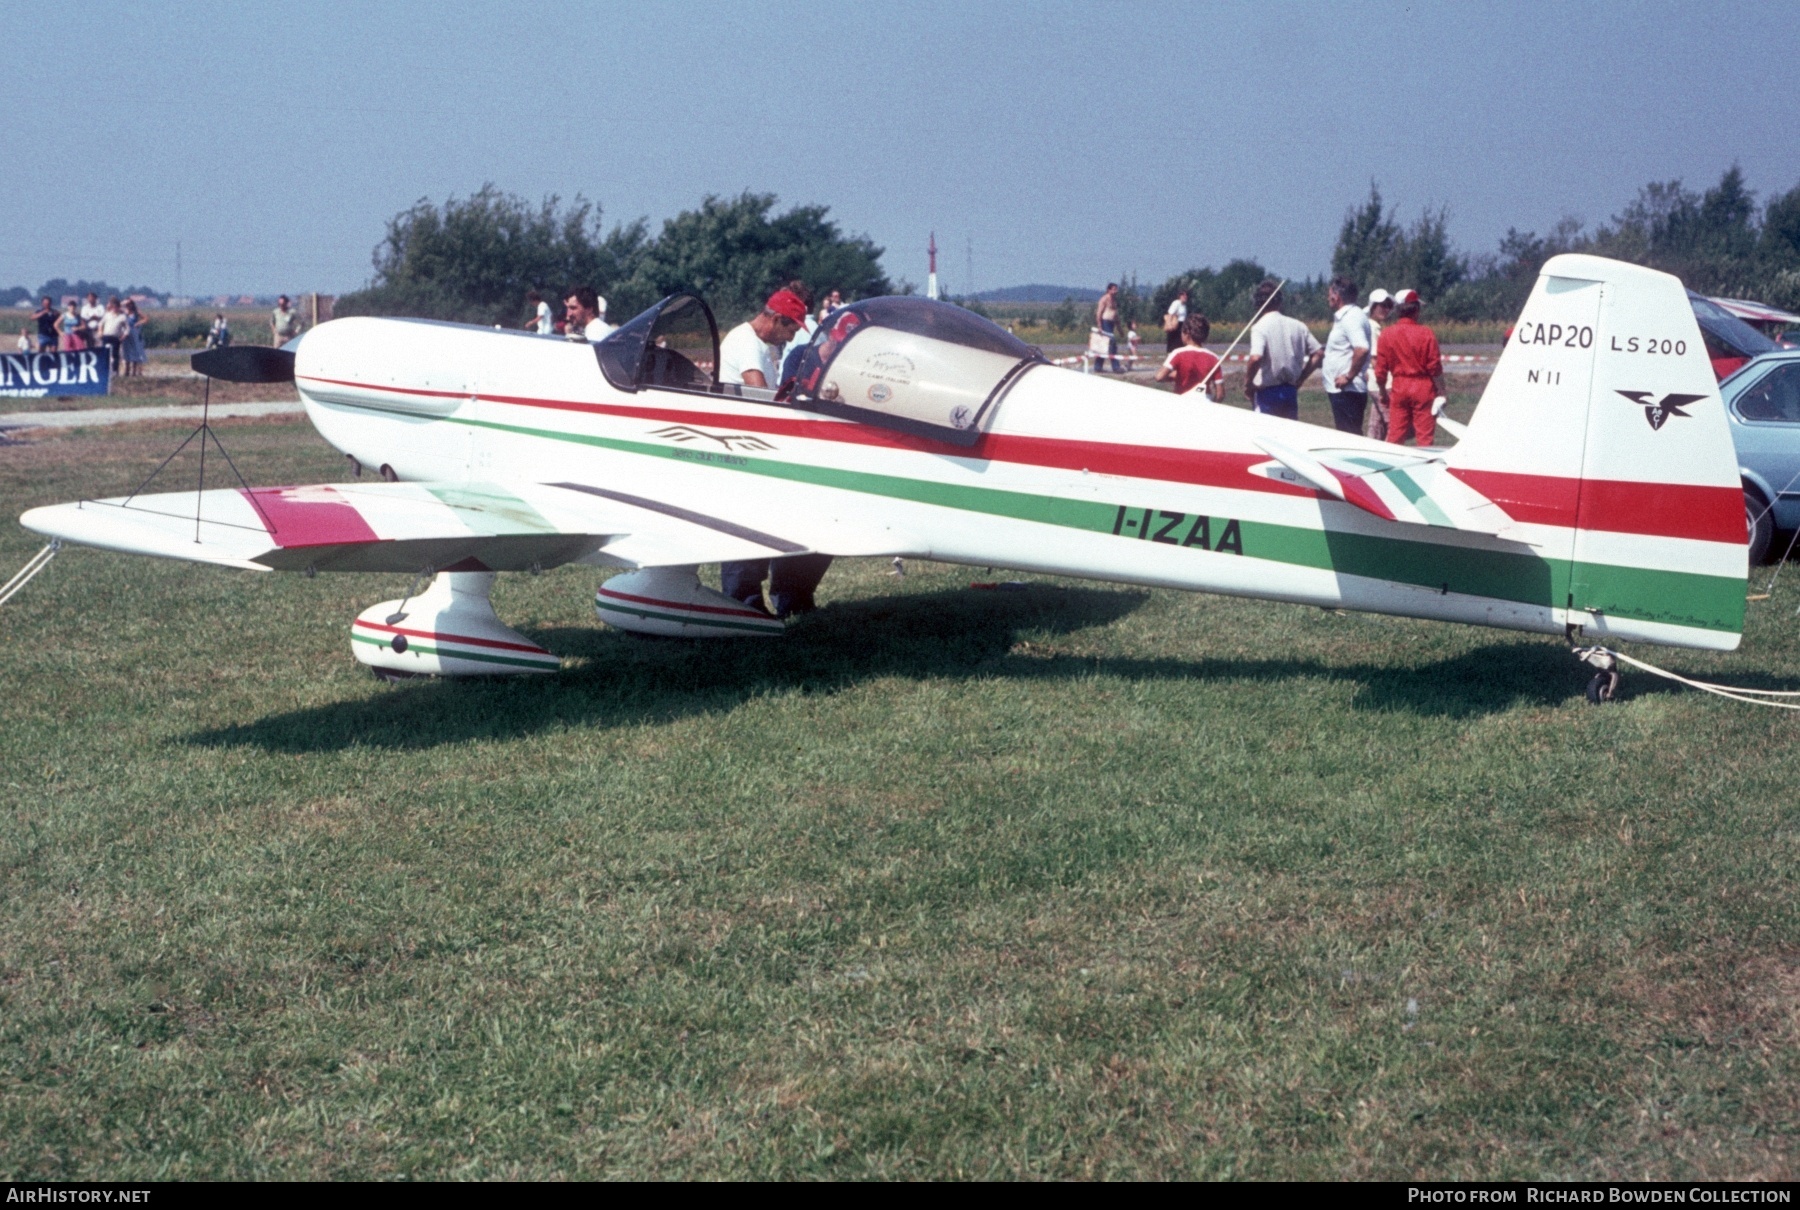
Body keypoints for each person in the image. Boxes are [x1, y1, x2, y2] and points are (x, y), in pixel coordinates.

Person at [718, 287, 827, 615]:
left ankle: (774, 598)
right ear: (776, 319)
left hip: (747, 444)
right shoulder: (748, 343)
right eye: (791, 328)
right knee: (751, 524)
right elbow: (758, 395)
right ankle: (744, 604)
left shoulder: (752, 341)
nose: (790, 336)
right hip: (744, 446)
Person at [1375, 289, 1447, 447]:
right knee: (1424, 438)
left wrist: (1382, 391)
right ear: (1416, 309)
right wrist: (1441, 391)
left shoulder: (1386, 334)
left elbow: (1380, 370)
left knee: (1395, 435)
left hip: (1399, 387)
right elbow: (1434, 368)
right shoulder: (1426, 334)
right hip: (1423, 387)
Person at [1241, 279, 1320, 419]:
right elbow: (1318, 353)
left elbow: (1255, 358)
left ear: (1258, 303)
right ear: (1279, 302)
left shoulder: (1260, 327)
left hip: (1267, 393)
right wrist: (1301, 378)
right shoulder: (1298, 325)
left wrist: (1248, 384)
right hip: (1290, 391)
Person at [1320, 277, 1372, 434]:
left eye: (1329, 294)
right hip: (1343, 391)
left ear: (1336, 296)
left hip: (1348, 390)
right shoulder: (1347, 317)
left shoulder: (1351, 318)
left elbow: (1362, 349)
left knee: (1350, 437)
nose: (1328, 298)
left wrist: (1348, 376)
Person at [1155, 314, 1225, 400]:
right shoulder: (1214, 358)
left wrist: (1173, 377)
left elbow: (1159, 377)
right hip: (1206, 402)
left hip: (1182, 400)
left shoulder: (1178, 353)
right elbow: (1220, 394)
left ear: (1186, 333)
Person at [1361, 289, 1393, 439]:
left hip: (1375, 383)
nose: (1385, 309)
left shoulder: (1375, 327)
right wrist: (1383, 385)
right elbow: (1375, 359)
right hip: (1381, 383)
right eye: (1381, 305)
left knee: (1376, 425)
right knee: (1392, 423)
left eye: (1388, 306)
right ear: (1372, 307)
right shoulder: (1373, 328)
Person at [1094, 283, 1122, 372]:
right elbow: (1099, 313)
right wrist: (1099, 326)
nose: (1115, 291)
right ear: (1108, 290)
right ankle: (1116, 367)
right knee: (1112, 343)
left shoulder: (1114, 300)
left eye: (1116, 289)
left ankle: (1098, 367)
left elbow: (1116, 316)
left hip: (1111, 323)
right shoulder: (1104, 299)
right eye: (1113, 289)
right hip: (1105, 323)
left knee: (1104, 345)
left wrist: (1119, 329)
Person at [98, 296, 129, 374]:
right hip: (106, 336)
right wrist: (100, 332)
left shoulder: (122, 317)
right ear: (112, 307)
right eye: (113, 307)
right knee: (106, 354)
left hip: (115, 337)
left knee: (115, 355)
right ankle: (105, 370)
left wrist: (123, 336)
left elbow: (127, 328)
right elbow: (100, 323)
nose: (115, 308)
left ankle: (115, 371)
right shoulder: (107, 315)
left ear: (119, 307)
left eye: (117, 307)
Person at [121, 300, 147, 377]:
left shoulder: (136, 312)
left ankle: (134, 371)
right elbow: (115, 305)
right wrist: (123, 302)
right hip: (126, 333)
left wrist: (139, 323)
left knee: (135, 351)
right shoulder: (124, 311)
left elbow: (146, 318)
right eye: (127, 304)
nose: (128, 306)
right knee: (126, 351)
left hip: (134, 333)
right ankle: (127, 370)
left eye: (129, 304)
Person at [1163, 288, 1190, 355]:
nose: (1185, 297)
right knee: (1174, 344)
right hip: (1175, 325)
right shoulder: (1176, 303)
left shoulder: (1184, 306)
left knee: (1181, 344)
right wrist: (1169, 325)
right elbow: (1170, 314)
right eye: (1183, 295)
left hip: (1182, 325)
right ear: (1180, 296)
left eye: (1186, 295)